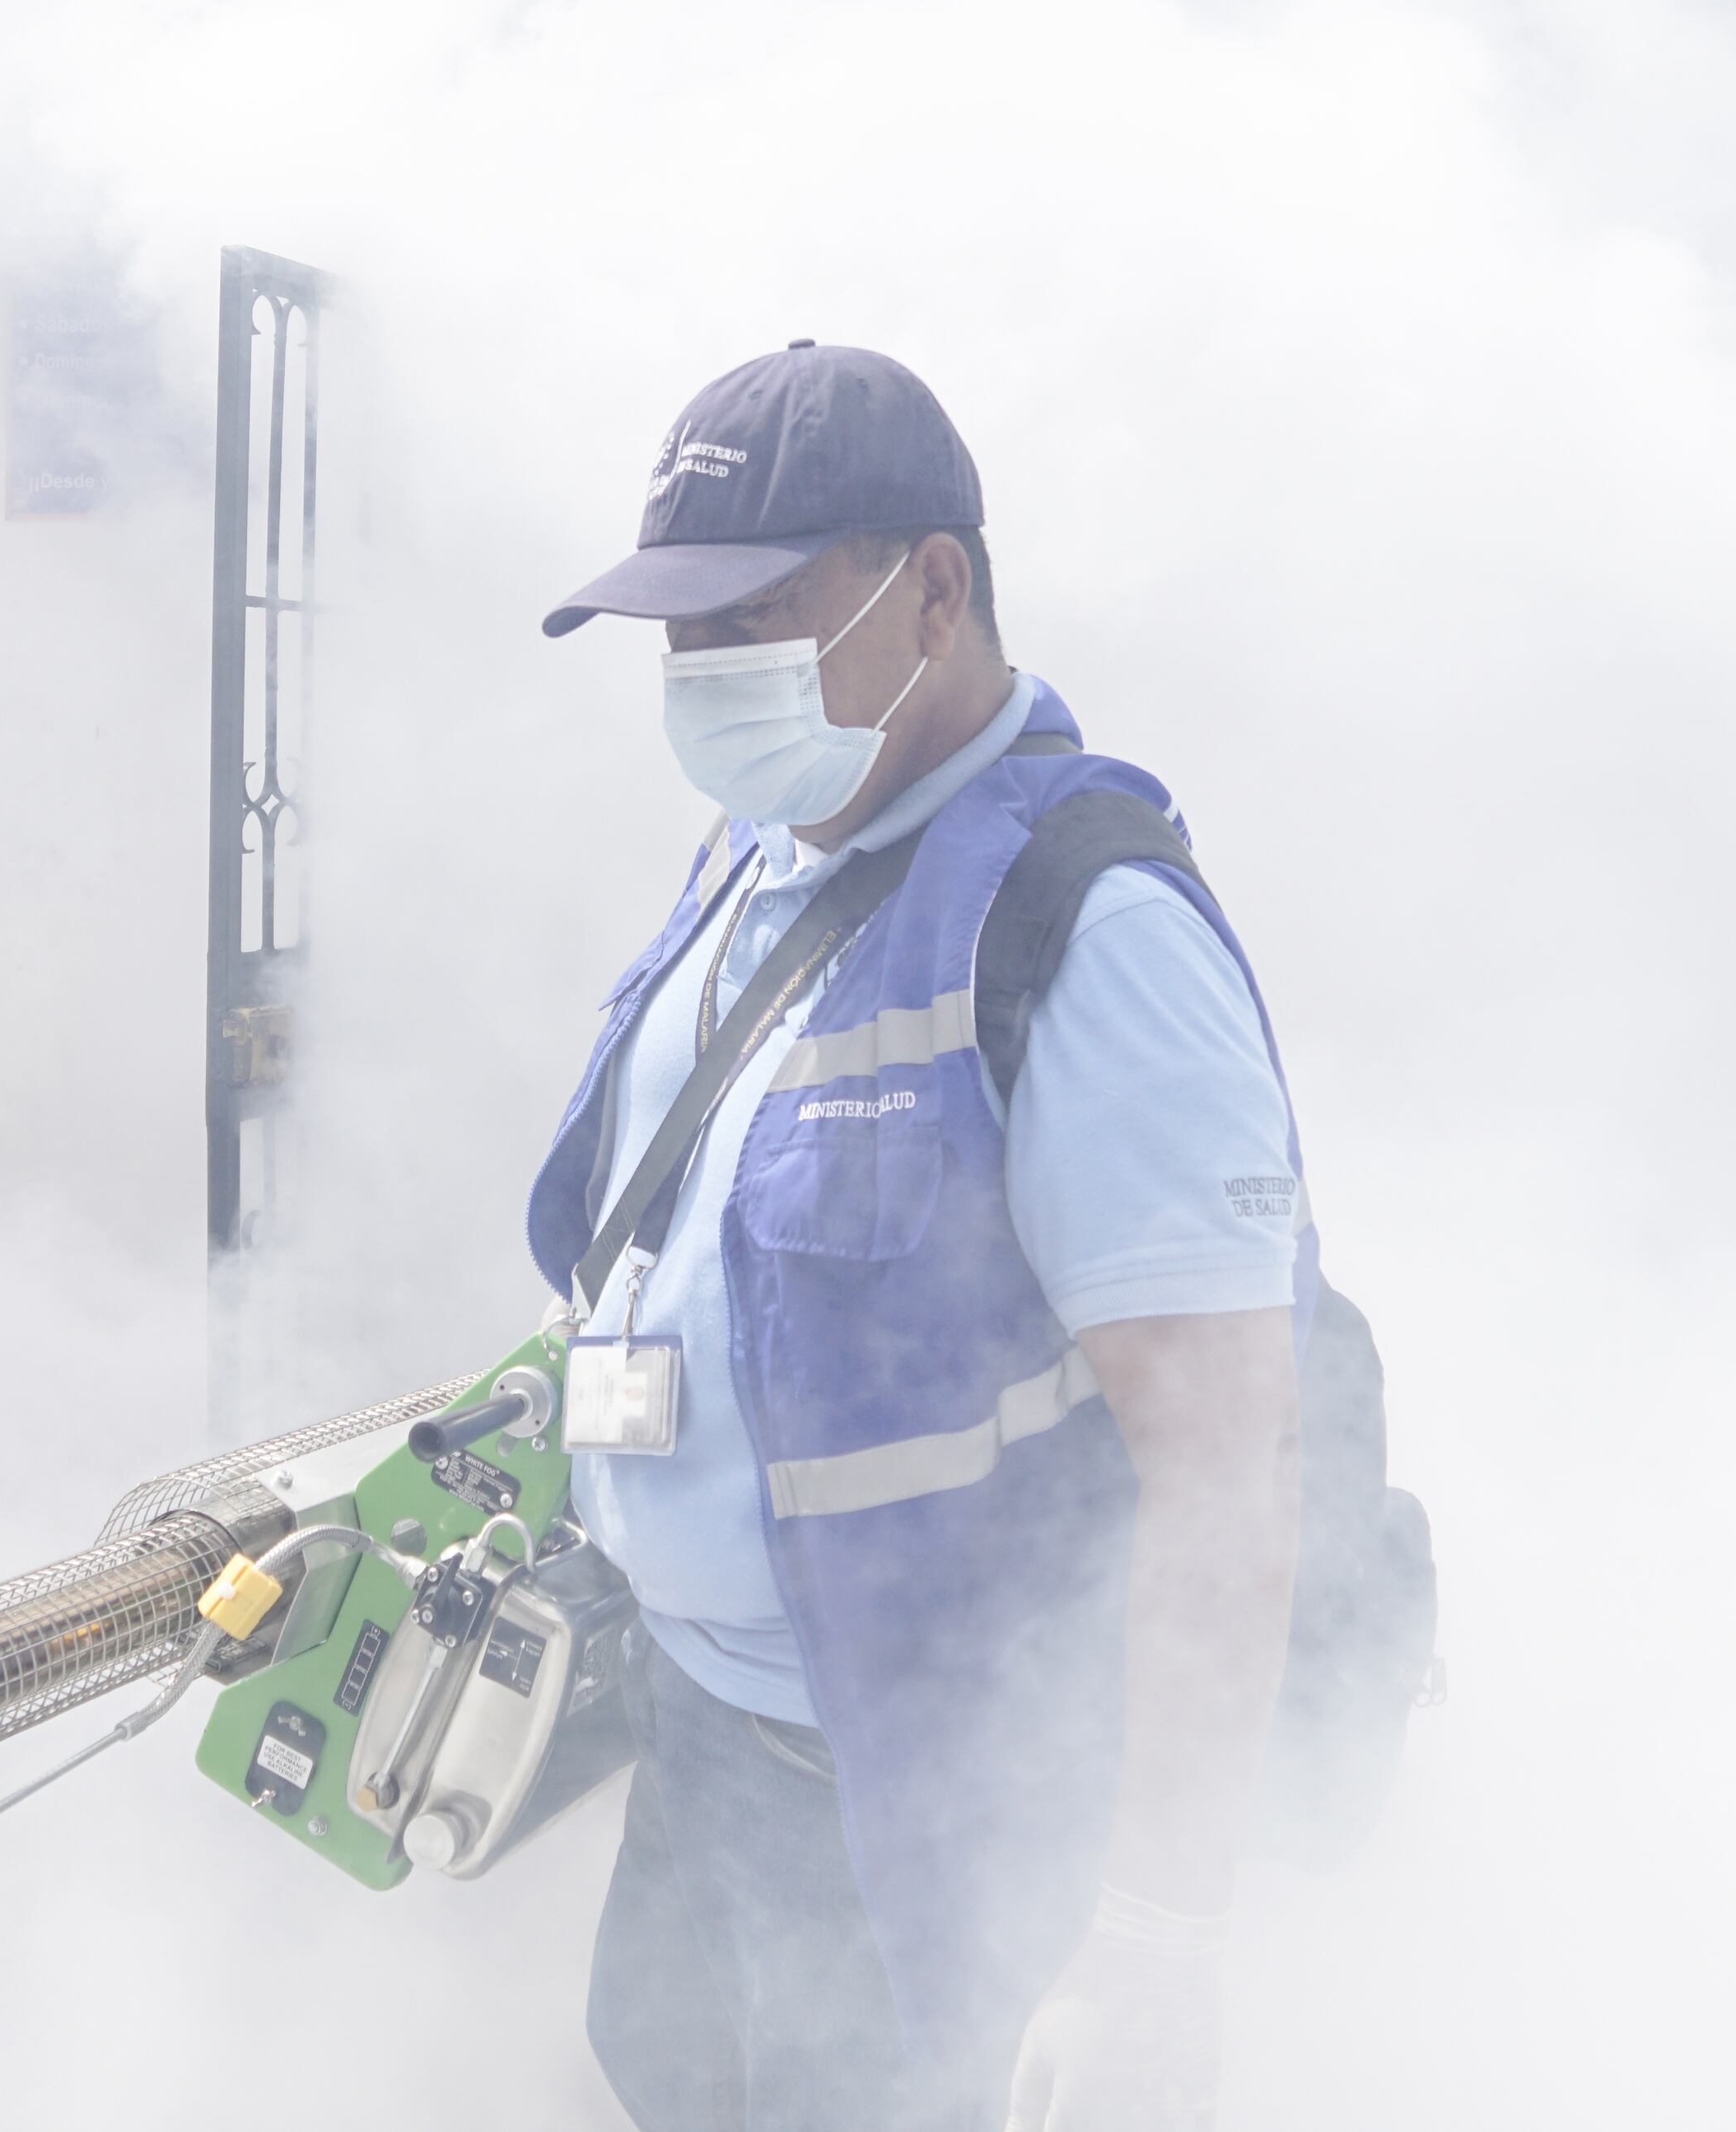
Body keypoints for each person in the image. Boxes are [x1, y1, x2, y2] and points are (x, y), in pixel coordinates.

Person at [523, 342, 1314, 2132]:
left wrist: (1154, 1941)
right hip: (702, 1747)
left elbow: (1228, 1473)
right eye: (676, 634)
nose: (704, 674)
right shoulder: (759, 851)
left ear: (933, 590)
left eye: (752, 617)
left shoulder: (1087, 930)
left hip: (923, 1821)